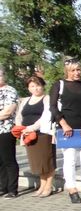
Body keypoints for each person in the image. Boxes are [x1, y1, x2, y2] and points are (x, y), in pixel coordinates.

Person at [49, 58, 81, 203]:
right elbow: (53, 106)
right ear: (67, 71)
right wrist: (63, 123)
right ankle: (71, 188)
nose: (77, 73)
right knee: (70, 160)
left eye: (78, 69)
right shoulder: (59, 85)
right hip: (67, 130)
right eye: (73, 70)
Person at [14, 76, 55, 197]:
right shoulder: (25, 100)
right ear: (28, 88)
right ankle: (42, 185)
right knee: (38, 162)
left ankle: (48, 185)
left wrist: (31, 128)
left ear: (43, 86)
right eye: (32, 86)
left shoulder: (47, 99)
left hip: (43, 133)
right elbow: (19, 116)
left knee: (47, 160)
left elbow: (45, 117)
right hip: (27, 135)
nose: (36, 88)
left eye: (38, 85)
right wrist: (21, 128)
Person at [0, 68, 20, 199]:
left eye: (0, 74)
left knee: (9, 160)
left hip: (6, 130)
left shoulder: (10, 91)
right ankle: (3, 187)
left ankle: (13, 189)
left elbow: (8, 112)